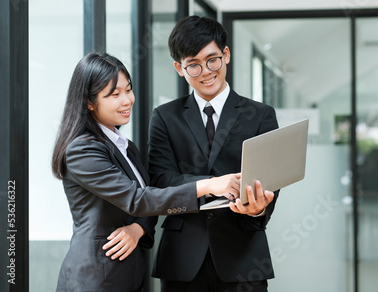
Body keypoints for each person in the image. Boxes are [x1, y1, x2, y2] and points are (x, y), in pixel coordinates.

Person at [52, 52, 242, 292]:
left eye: (128, 90)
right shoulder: (83, 149)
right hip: (96, 277)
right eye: (114, 95)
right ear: (89, 102)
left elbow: (149, 195)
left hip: (129, 273)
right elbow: (136, 199)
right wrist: (210, 184)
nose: (127, 100)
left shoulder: (125, 147)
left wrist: (138, 228)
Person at [148, 15, 278, 292]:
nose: (206, 71)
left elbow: (270, 180)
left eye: (212, 60)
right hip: (182, 260)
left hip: (243, 257)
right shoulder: (165, 117)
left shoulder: (260, 115)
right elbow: (159, 179)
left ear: (226, 55)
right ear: (179, 68)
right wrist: (207, 184)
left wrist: (259, 209)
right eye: (193, 65)